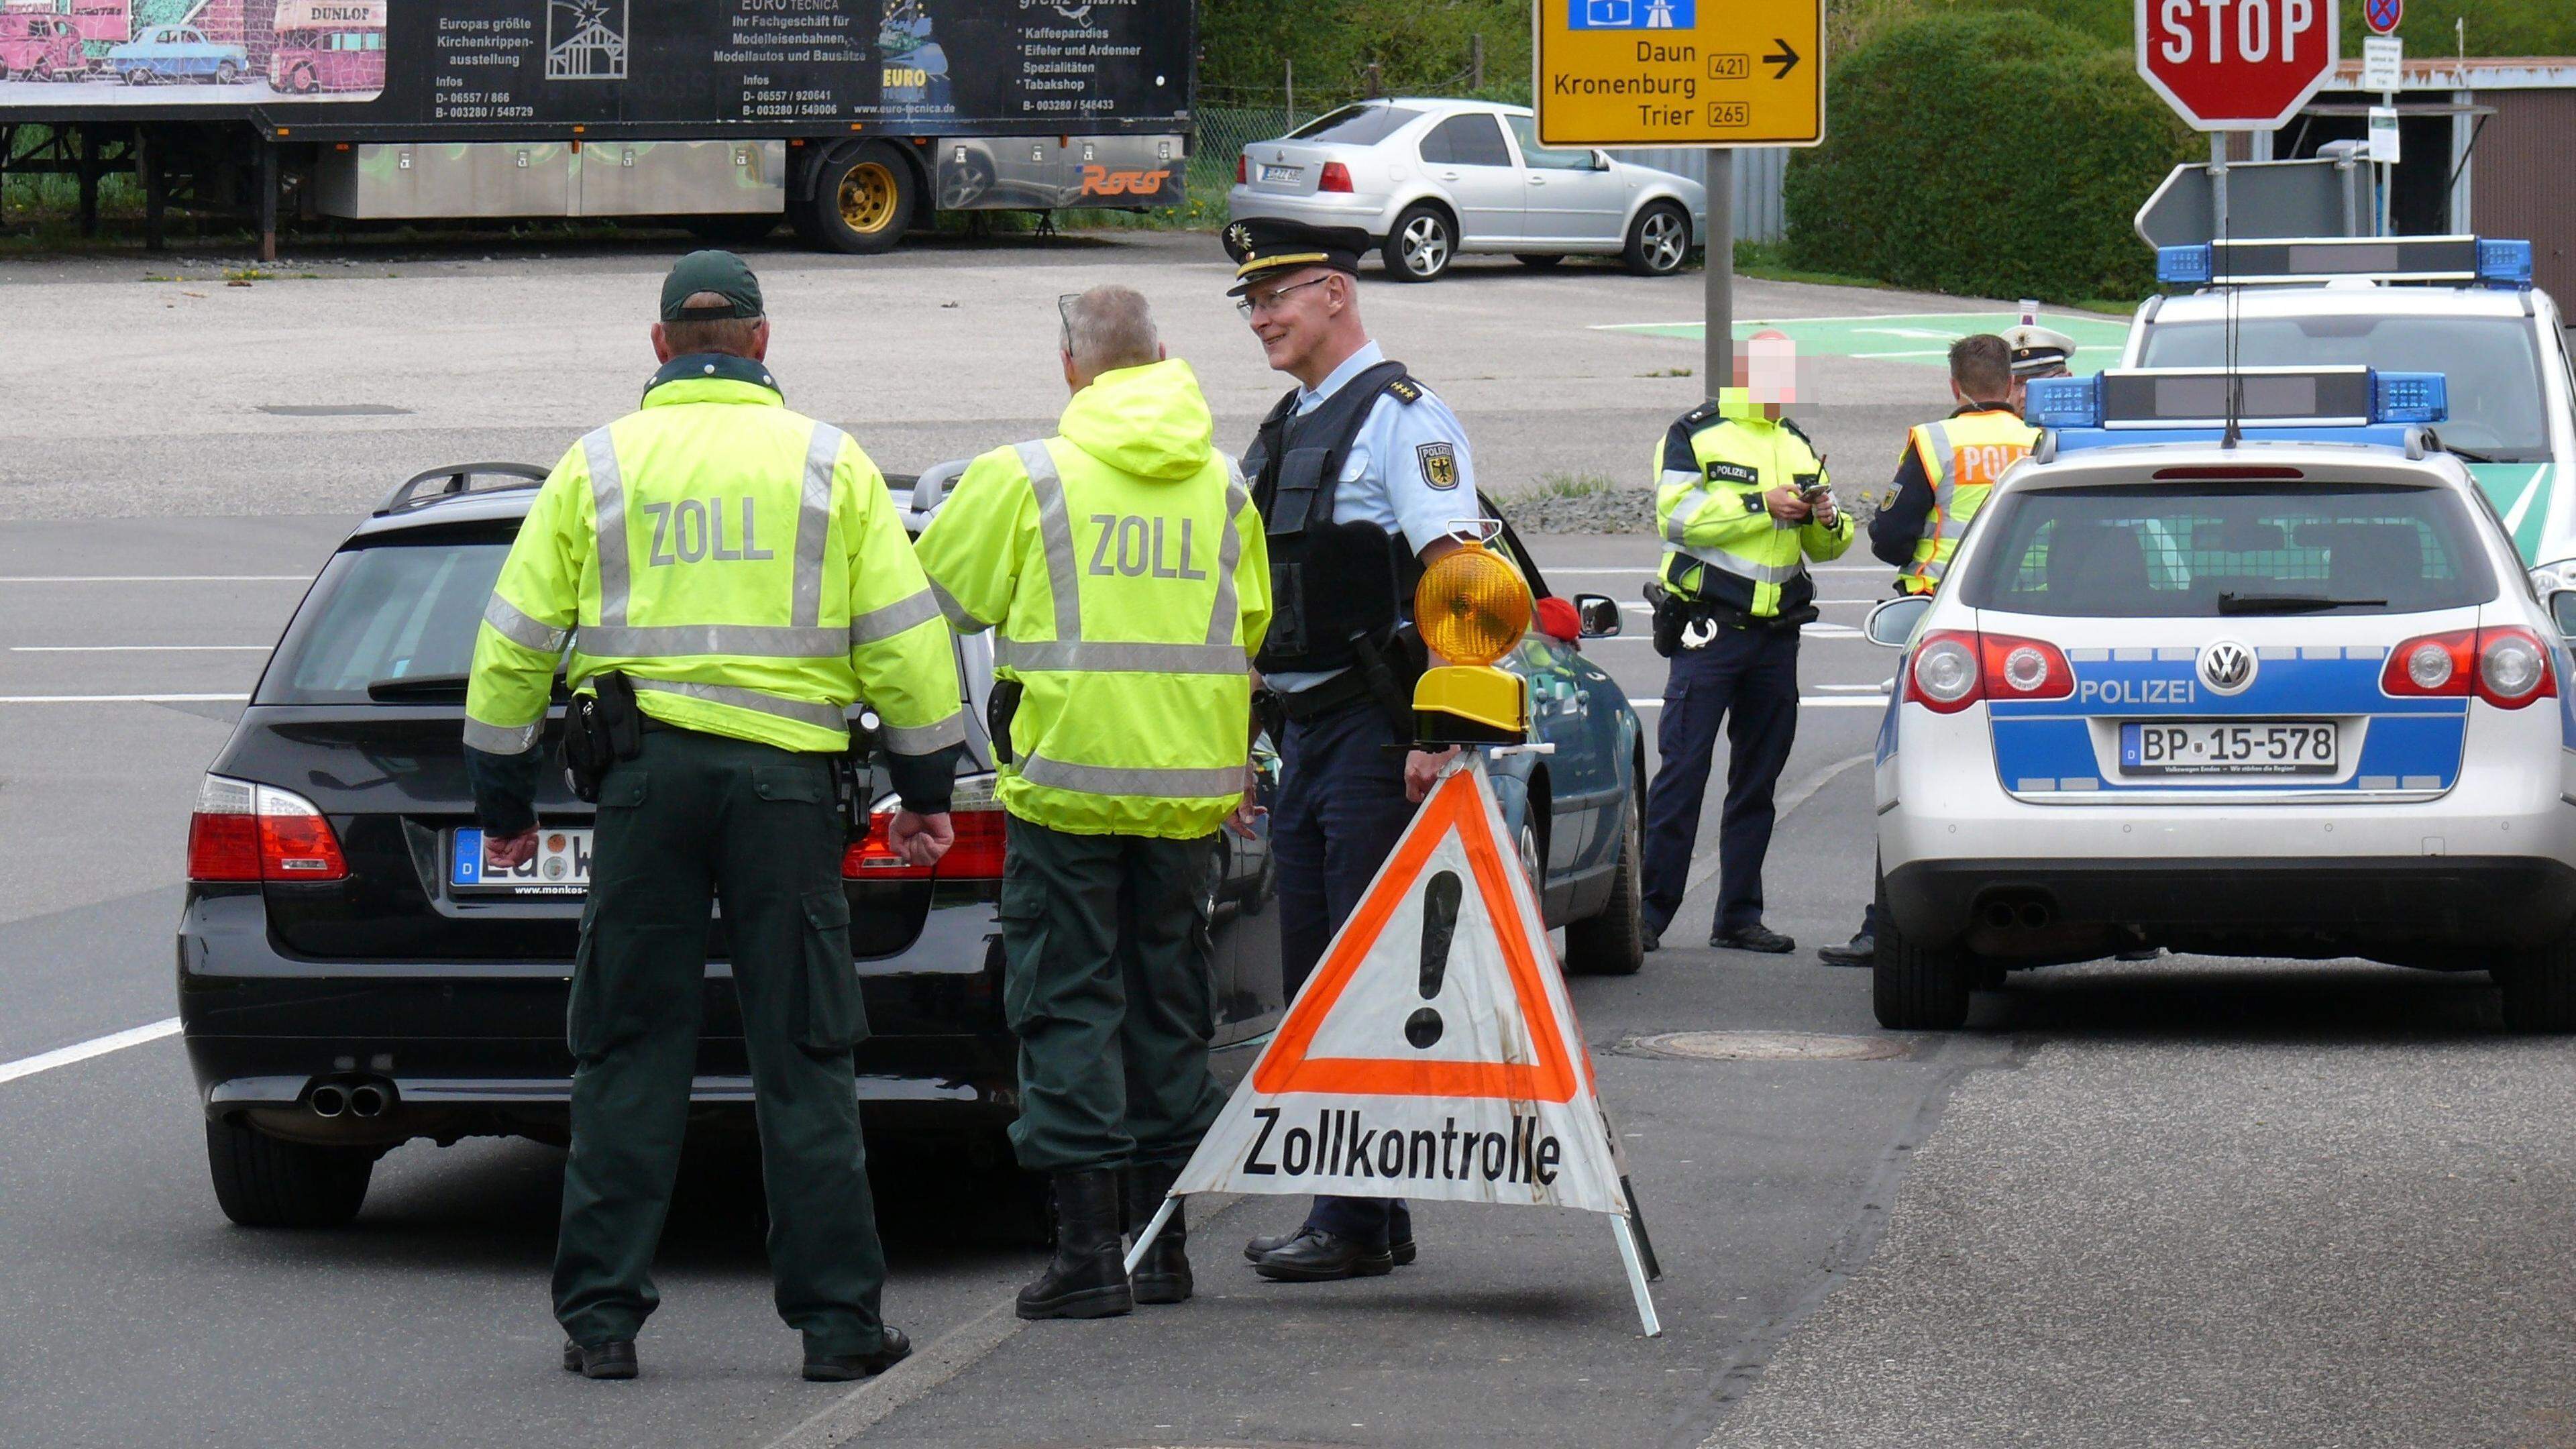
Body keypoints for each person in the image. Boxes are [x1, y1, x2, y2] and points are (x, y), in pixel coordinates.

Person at [462, 250, 967, 1383]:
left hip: (644, 793)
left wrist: (503, 798)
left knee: (629, 1049)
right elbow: (906, 643)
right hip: (788, 799)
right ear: (762, 340)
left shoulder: (597, 464)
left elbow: (512, 646)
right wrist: (927, 793)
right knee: (805, 1055)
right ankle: (838, 1329)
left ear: (659, 347)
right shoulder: (830, 465)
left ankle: (602, 1321)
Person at [911, 285, 1271, 1320]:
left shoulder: (1027, 476)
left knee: (1068, 1006)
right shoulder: (1223, 485)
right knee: (1169, 1011)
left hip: (1066, 788)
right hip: (1188, 800)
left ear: (1071, 365)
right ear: (1162, 356)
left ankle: (1087, 1257)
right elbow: (1248, 633)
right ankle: (1164, 1253)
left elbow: (936, 598)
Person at [1221, 218, 1483, 1283]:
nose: (1260, 317)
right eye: (1249, 301)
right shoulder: (1293, 423)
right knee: (1320, 976)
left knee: (1358, 976)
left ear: (1335, 291)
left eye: (1276, 294)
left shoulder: (1404, 422)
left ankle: (1355, 1218)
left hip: (1376, 737)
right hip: (1308, 733)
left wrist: (1437, 732)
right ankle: (1369, 1212)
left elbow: (1459, 585)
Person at [1815, 333, 2037, 967]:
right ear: (2013, 385)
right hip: (2041, 621)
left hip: (1949, 626)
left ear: (1955, 387)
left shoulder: (1935, 442)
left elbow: (1888, 537)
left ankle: (1882, 926)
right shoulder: (2041, 441)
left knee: (1912, 771)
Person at [1638, 333, 1853, 956]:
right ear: (1745, 376)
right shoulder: (1695, 433)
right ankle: (1650, 913)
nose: (1783, 389)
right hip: (1709, 629)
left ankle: (1737, 915)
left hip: (1775, 638)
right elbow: (1675, 519)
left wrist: (1826, 519)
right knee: (1683, 772)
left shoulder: (1797, 443)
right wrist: (1764, 504)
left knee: (1757, 784)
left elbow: (1831, 548)